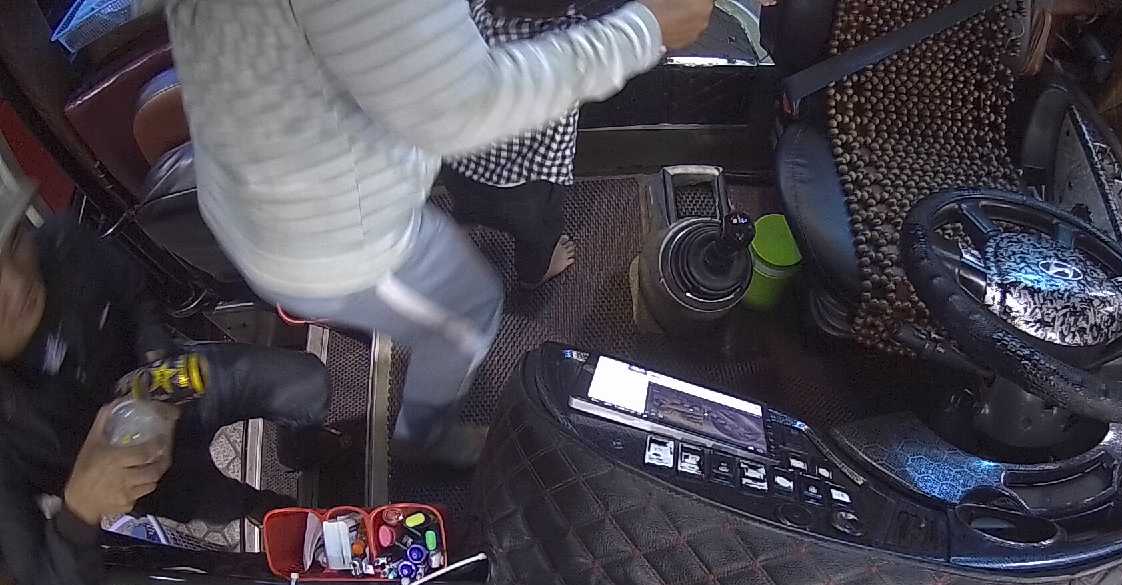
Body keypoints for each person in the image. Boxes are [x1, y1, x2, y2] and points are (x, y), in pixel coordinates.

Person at [151, 0, 712, 466]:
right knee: (470, 309)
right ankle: (421, 438)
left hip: (251, 185)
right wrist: (644, 30)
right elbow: (463, 108)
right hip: (332, 239)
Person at [0, 177, 329, 585]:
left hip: (178, 384)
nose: (16, 283)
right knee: (223, 503)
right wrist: (80, 509)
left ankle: (299, 447)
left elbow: (133, 293)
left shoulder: (63, 243)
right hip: (152, 476)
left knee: (309, 382)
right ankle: (260, 506)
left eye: (12, 242)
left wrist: (155, 354)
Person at [443, 0, 587, 290]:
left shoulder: (469, 13)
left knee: (466, 204)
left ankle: (461, 227)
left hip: (460, 163)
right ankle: (533, 276)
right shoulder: (574, 42)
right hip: (528, 185)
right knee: (538, 235)